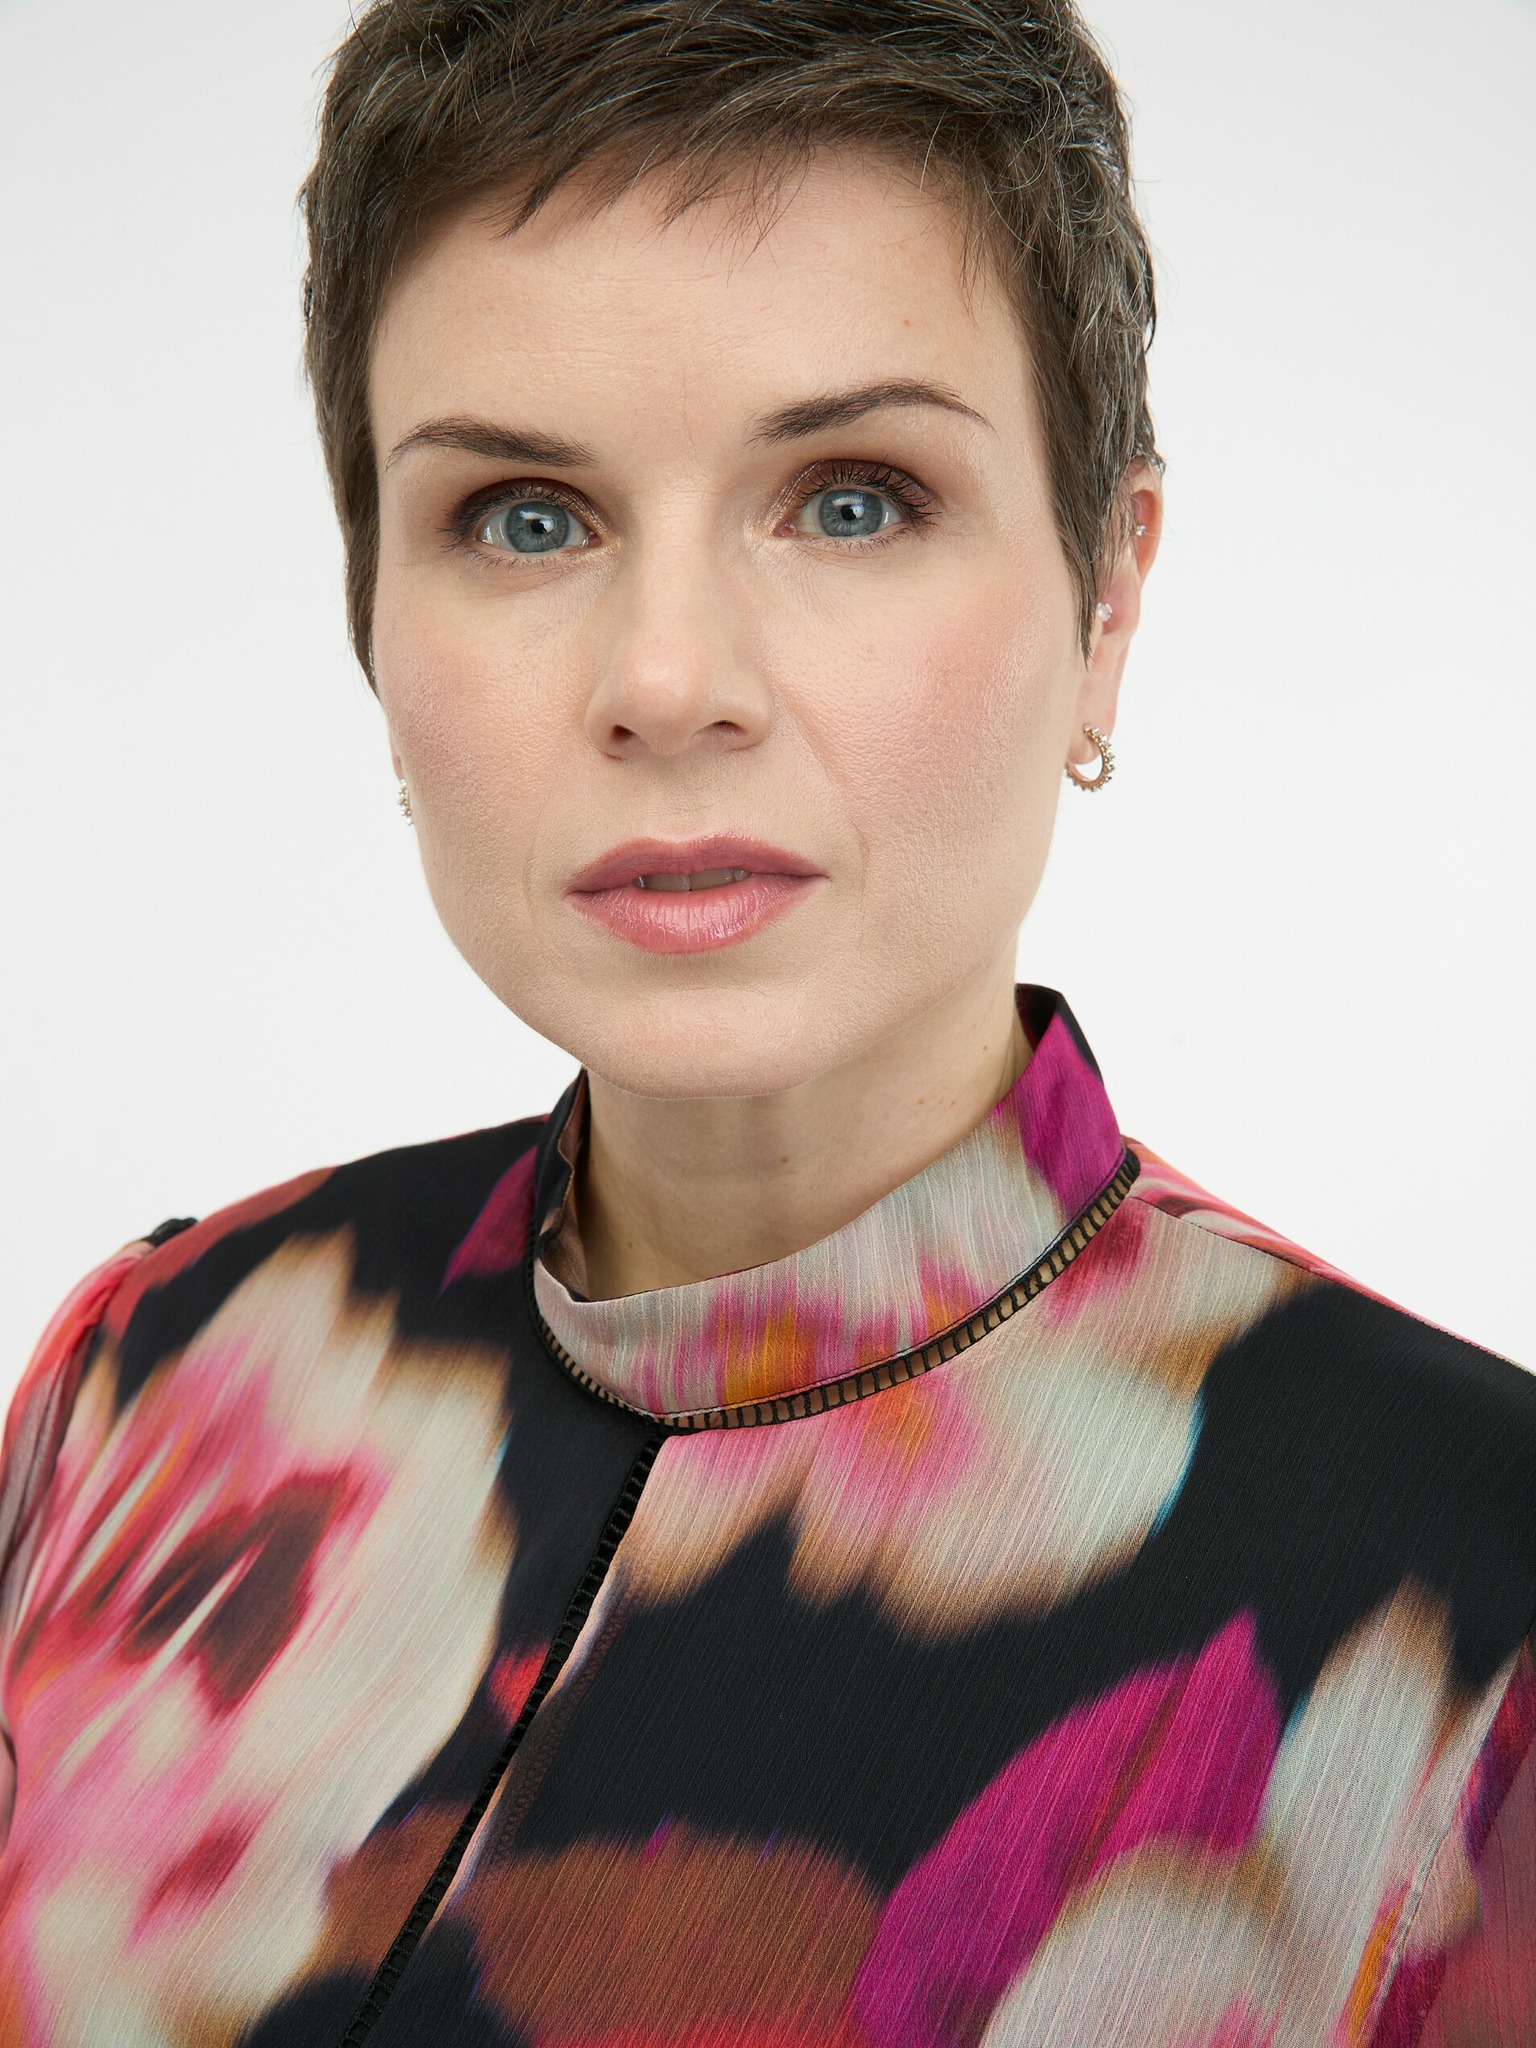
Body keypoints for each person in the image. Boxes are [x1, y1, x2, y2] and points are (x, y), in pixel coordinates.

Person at [0, 0, 1530, 2041]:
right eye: (523, 516)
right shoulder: (151, 1379)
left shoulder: (1483, 1590)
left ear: (1108, 598)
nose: (668, 679)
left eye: (853, 499)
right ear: (371, 608)